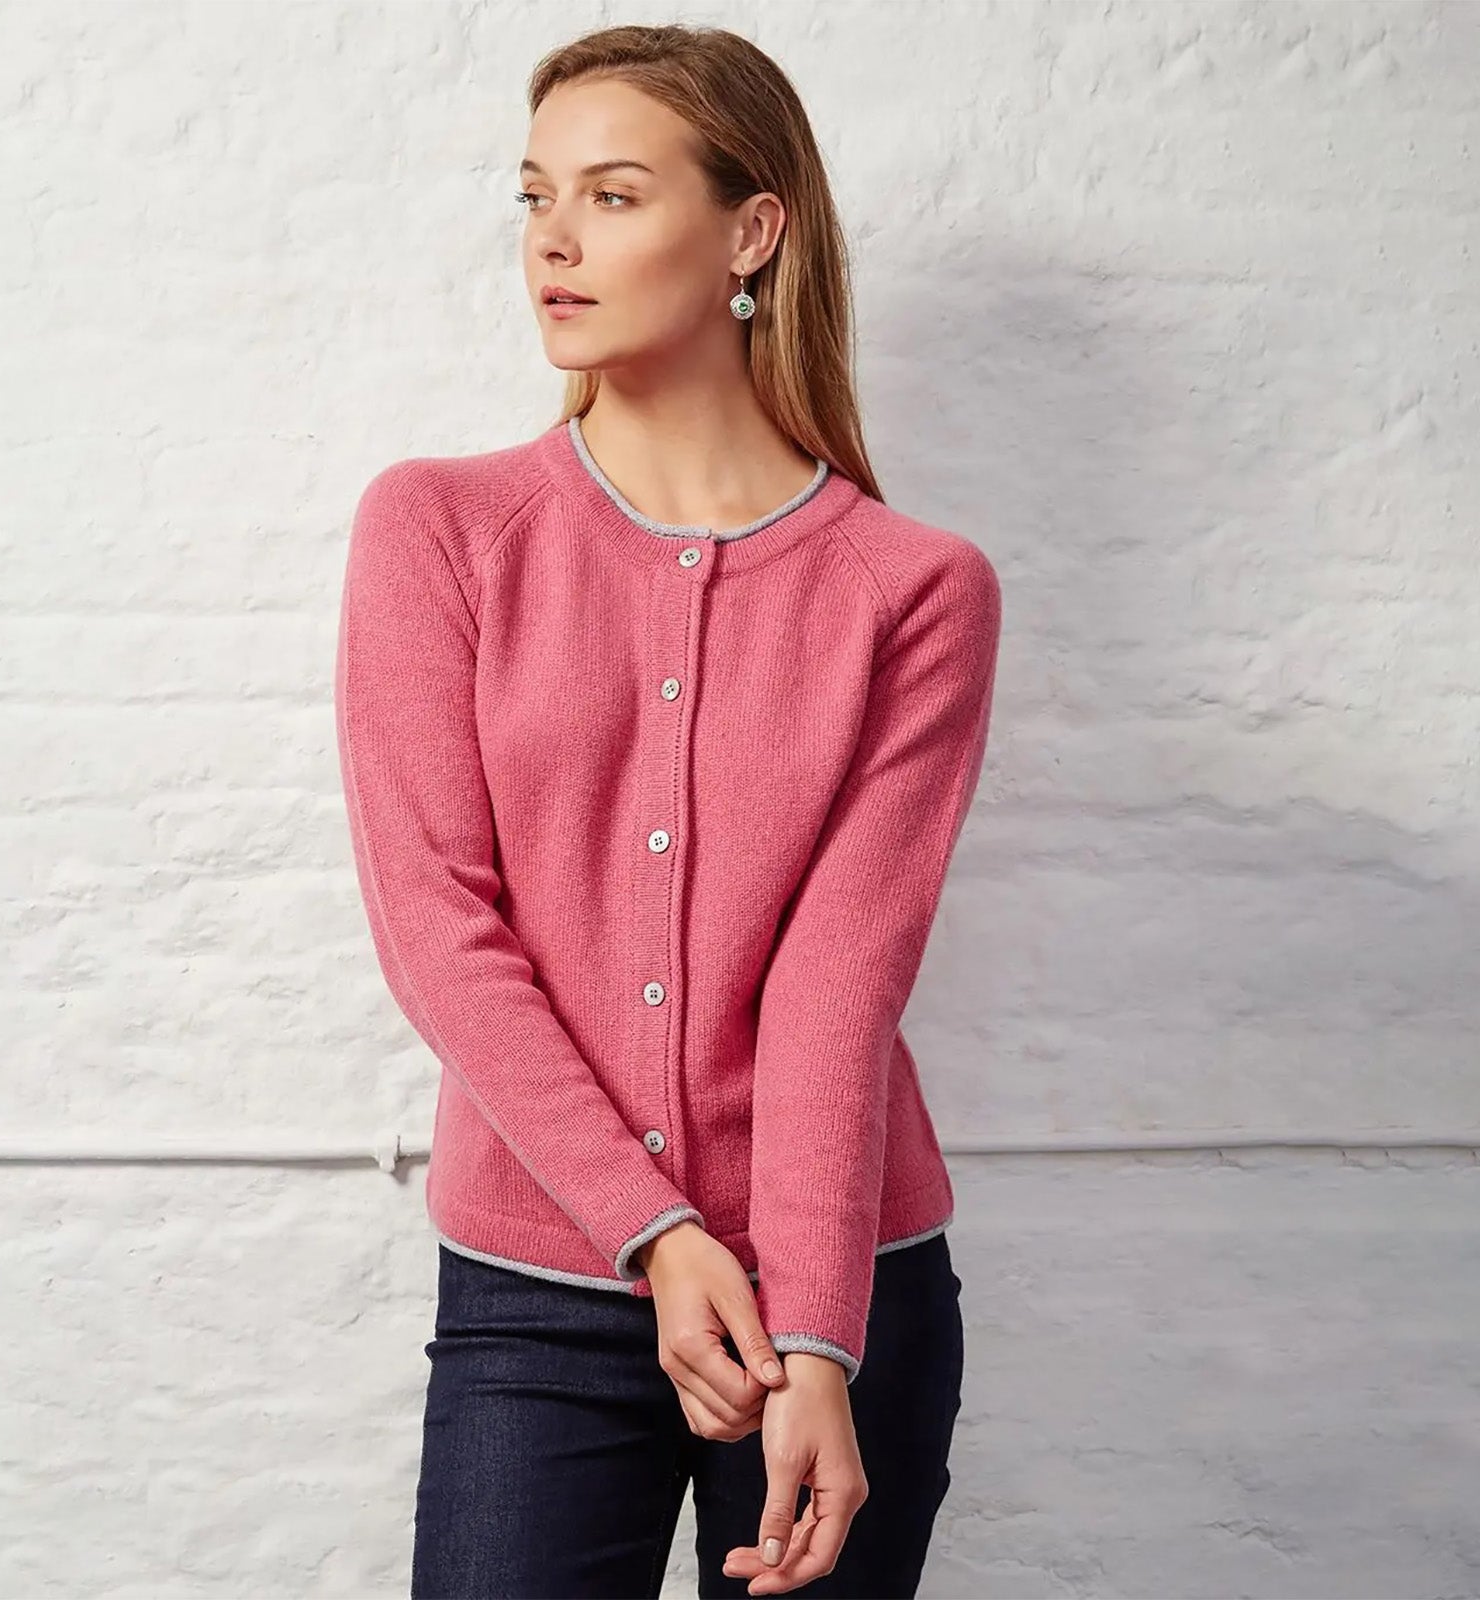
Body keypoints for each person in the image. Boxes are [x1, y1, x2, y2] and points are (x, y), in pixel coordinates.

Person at [334, 22, 1002, 1599]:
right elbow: (438, 925)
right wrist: (657, 1229)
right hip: (540, 1294)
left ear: (751, 233)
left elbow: (840, 979)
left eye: (614, 195)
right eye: (536, 195)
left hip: (838, 1298)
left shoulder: (913, 591)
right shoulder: (441, 529)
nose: (553, 240)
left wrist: (820, 1335)